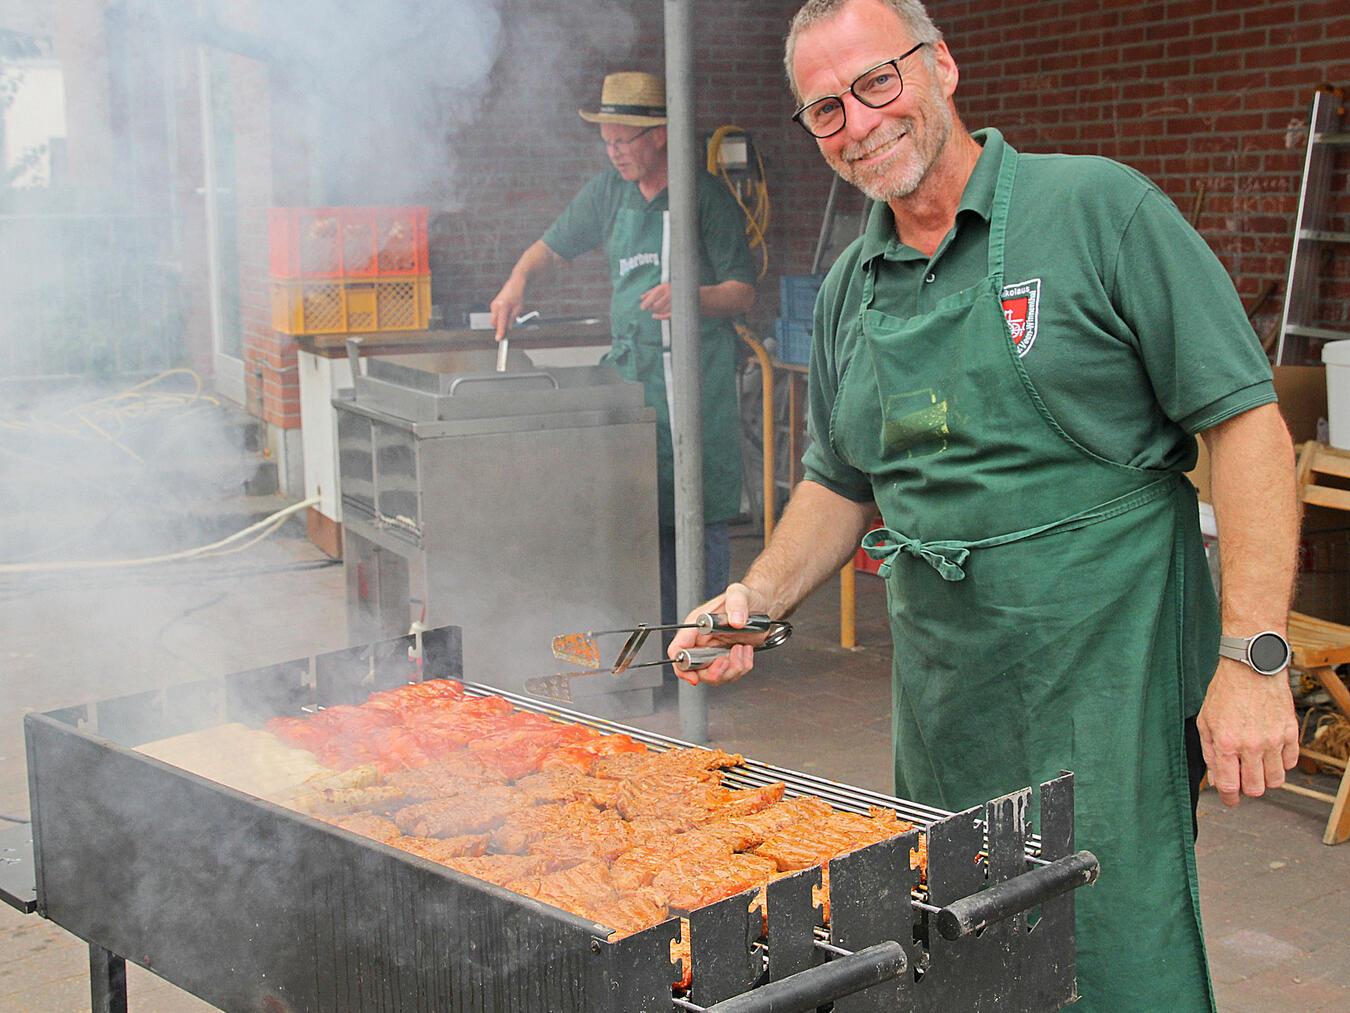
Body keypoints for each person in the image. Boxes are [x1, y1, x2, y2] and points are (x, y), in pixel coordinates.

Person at [669, 2, 1300, 1010]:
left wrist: (1252, 656)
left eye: (878, 82)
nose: (860, 122)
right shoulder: (850, 287)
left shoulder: (1098, 211)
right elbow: (842, 477)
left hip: (1108, 686)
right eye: (825, 108)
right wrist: (756, 594)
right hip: (946, 705)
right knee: (959, 960)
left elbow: (1248, 427)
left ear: (943, 67)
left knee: (1114, 951)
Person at [490, 71, 756, 625]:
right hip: (632, 380)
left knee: (698, 514)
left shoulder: (705, 197)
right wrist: (517, 281)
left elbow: (743, 291)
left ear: (658, 134)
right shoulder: (607, 193)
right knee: (638, 510)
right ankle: (653, 644)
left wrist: (692, 298)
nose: (612, 153)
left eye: (622, 141)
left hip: (696, 384)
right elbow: (552, 246)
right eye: (606, 141)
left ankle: (705, 645)